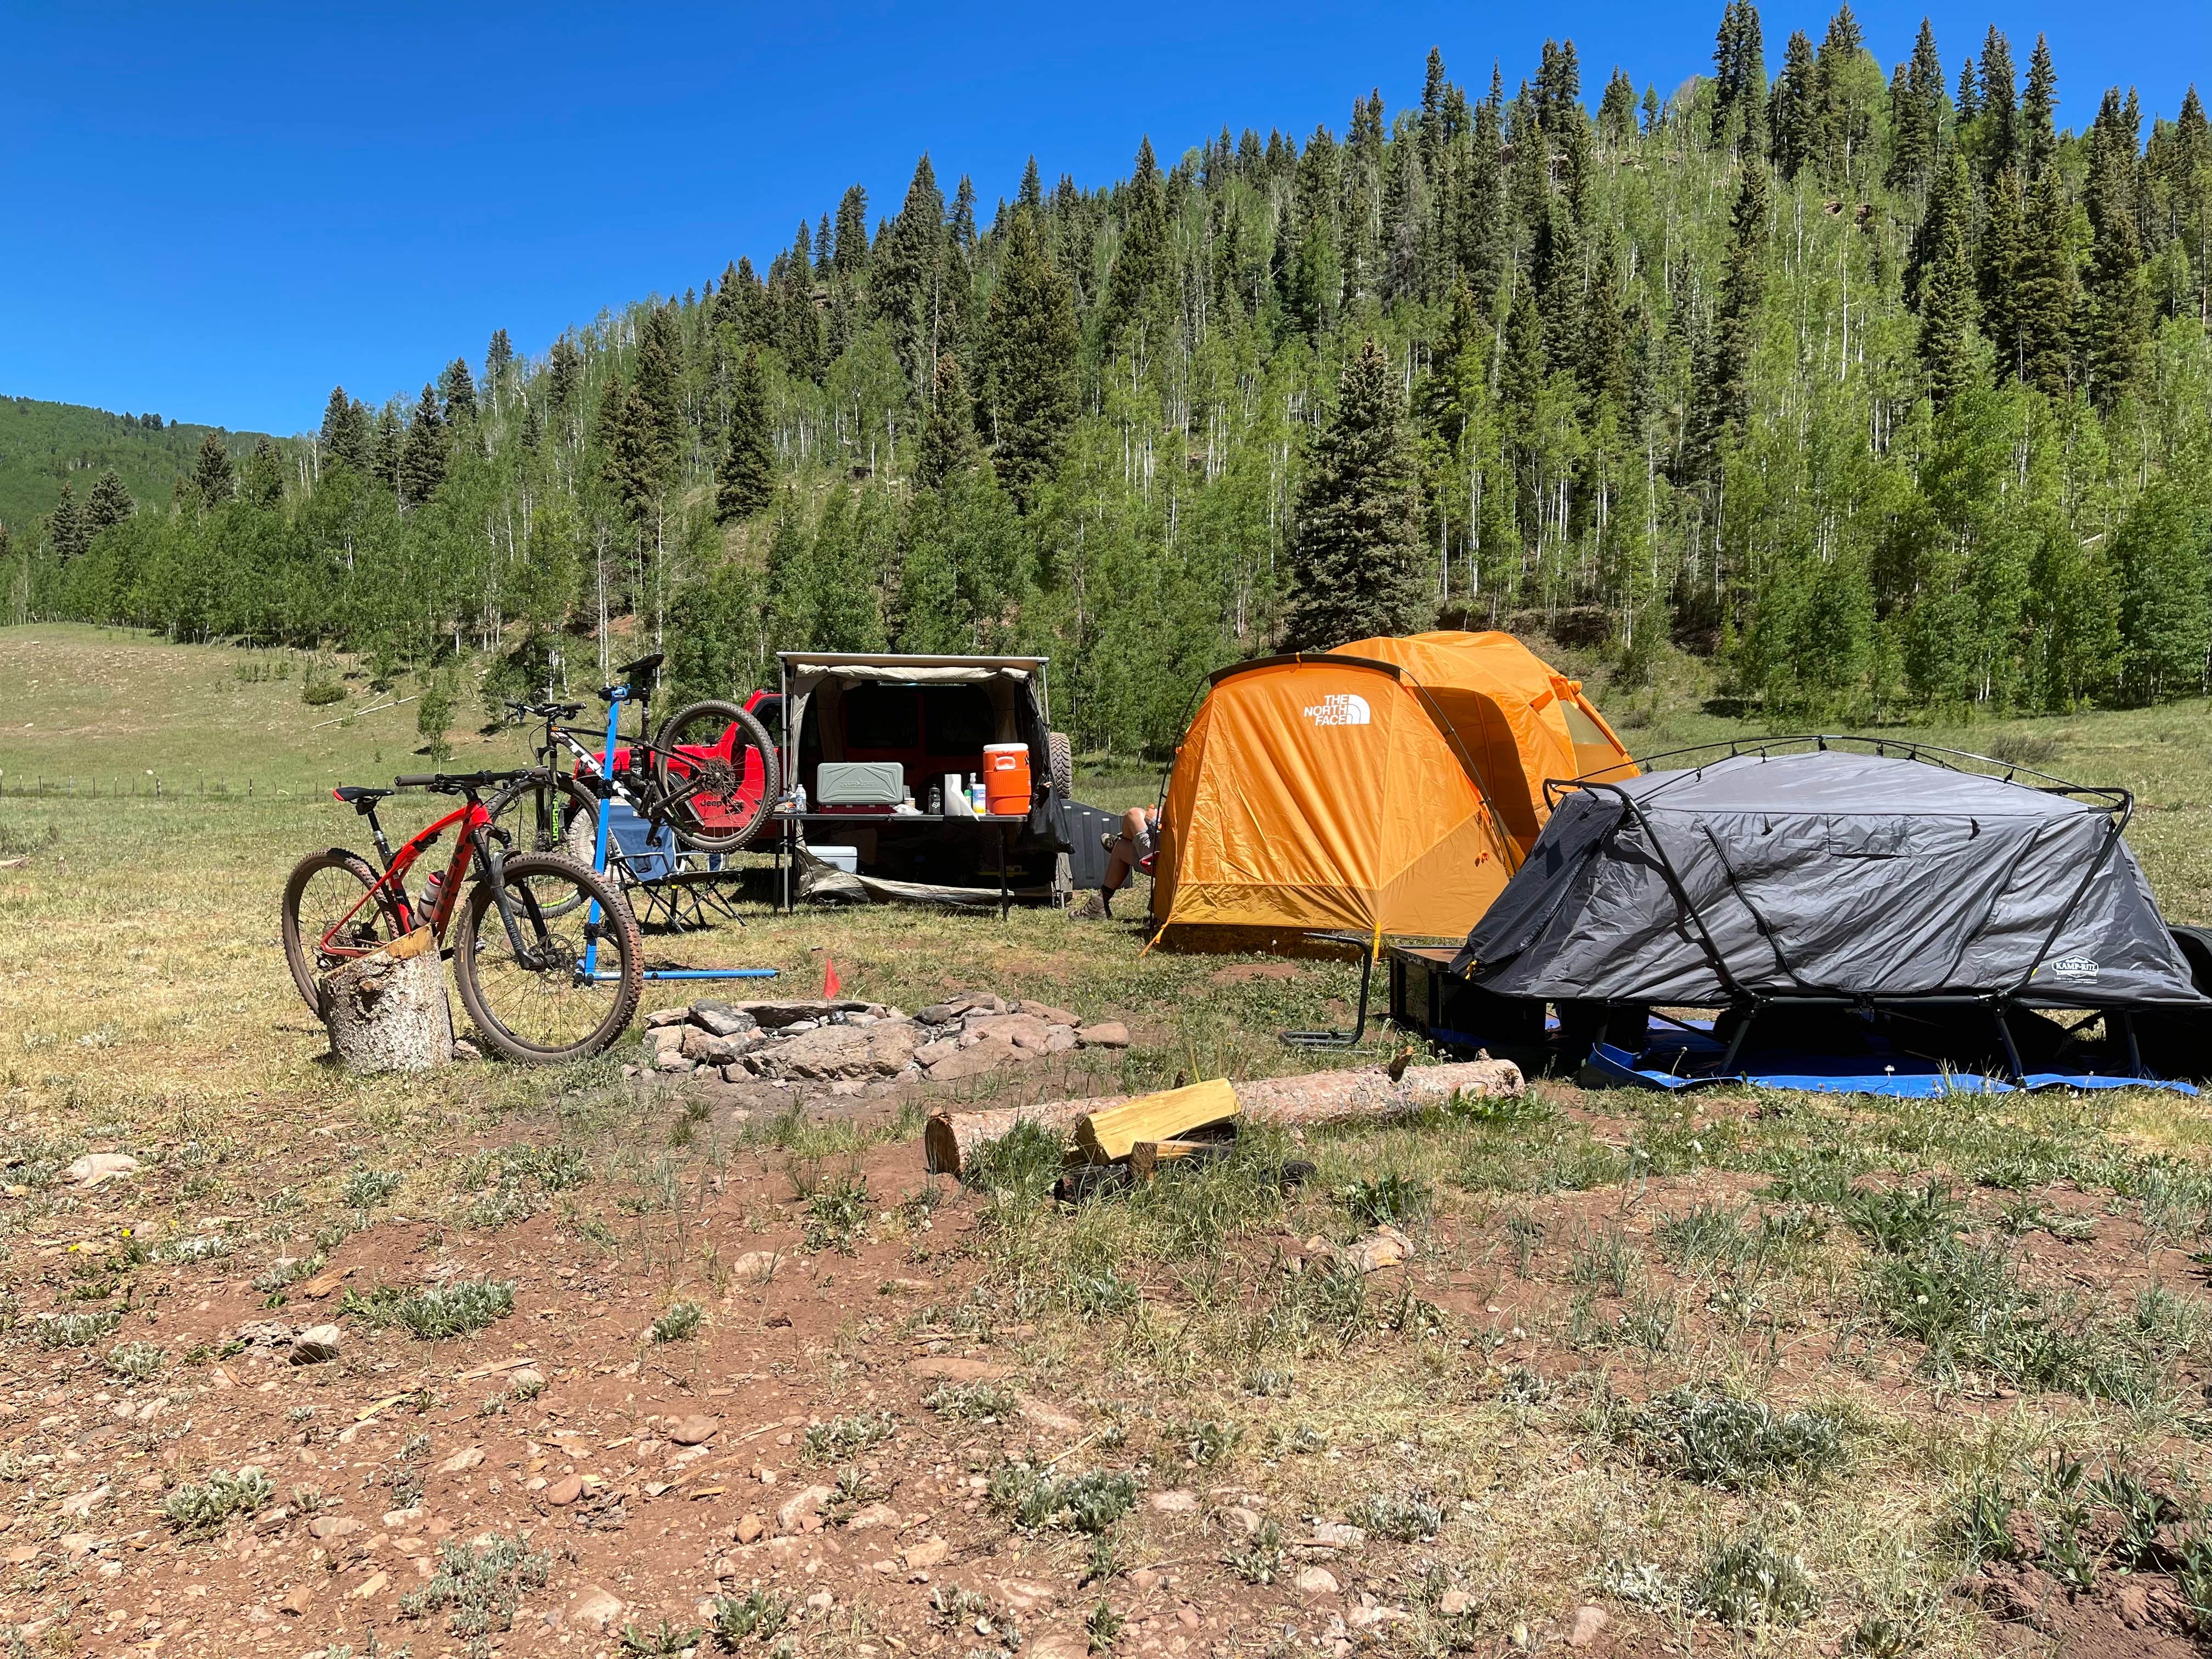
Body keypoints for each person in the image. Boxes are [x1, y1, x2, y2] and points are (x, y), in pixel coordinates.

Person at [1100, 805, 1159, 917]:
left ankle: (1100, 904)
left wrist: (1154, 820)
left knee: (1134, 814)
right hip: (1170, 857)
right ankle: (1098, 905)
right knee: (1121, 847)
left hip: (1160, 860)